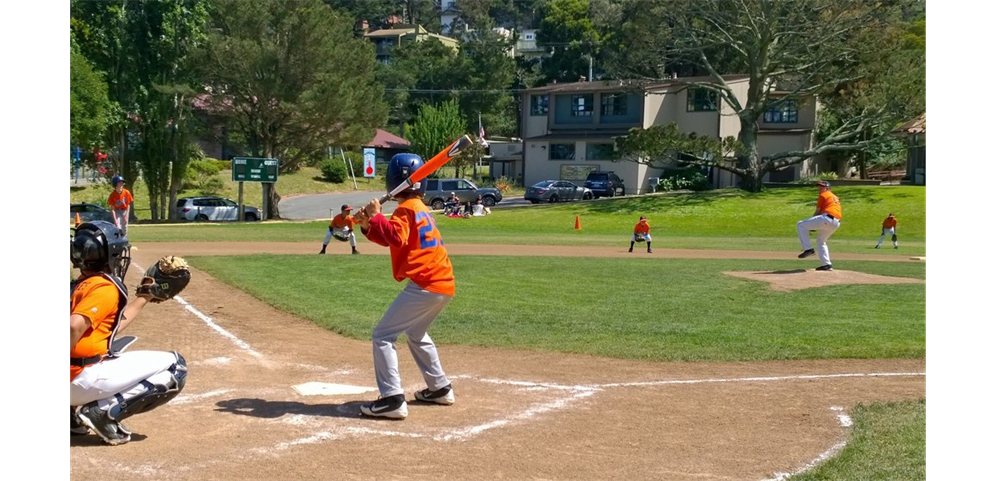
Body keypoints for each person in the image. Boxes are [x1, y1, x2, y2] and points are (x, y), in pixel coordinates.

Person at [352, 153, 456, 420]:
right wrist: (368, 224)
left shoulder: (406, 209)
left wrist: (376, 216)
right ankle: (440, 387)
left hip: (425, 283)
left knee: (382, 335)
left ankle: (392, 399)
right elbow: (391, 239)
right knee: (416, 332)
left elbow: (395, 237)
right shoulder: (418, 207)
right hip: (441, 284)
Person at [70, 221, 188, 445]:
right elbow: (74, 326)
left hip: (74, 379)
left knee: (108, 345)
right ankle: (103, 413)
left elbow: (107, 328)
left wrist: (144, 296)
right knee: (175, 366)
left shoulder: (78, 285)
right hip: (78, 380)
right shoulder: (102, 287)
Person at [796, 180, 842, 271]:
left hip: (827, 218)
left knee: (800, 225)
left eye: (822, 186)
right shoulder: (834, 196)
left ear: (827, 188)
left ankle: (808, 249)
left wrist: (812, 224)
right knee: (821, 241)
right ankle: (827, 264)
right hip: (836, 222)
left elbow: (817, 211)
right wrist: (813, 225)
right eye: (819, 186)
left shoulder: (824, 195)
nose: (819, 188)